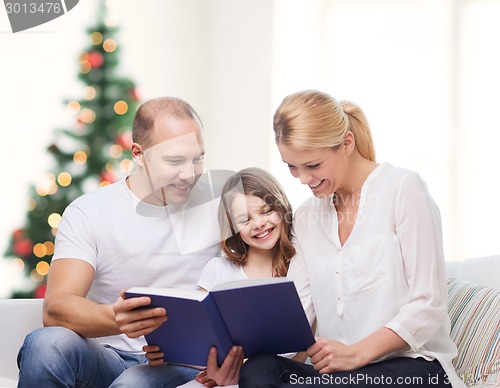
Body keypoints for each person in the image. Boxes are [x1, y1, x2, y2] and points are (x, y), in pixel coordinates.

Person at [239, 90, 466, 387]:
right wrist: (236, 360)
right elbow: (298, 312)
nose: (302, 179)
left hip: (415, 367)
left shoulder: (403, 190)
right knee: (260, 369)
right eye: (291, 166)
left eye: (313, 165)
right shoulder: (308, 217)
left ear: (347, 143)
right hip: (340, 376)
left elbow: (428, 306)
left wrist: (356, 354)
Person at [17, 97, 238, 388]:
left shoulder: (220, 206)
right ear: (138, 153)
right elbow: (56, 307)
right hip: (108, 355)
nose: (189, 174)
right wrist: (113, 317)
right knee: (45, 345)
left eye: (197, 159)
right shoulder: (90, 211)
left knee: (132, 385)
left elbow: (262, 270)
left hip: (183, 364)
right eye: (174, 161)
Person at [129, 167, 311, 387]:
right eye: (245, 220)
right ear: (232, 226)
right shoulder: (218, 270)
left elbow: (300, 348)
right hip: (221, 377)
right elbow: (201, 340)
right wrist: (168, 353)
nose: (259, 223)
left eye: (266, 211)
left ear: (281, 208)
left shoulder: (301, 266)